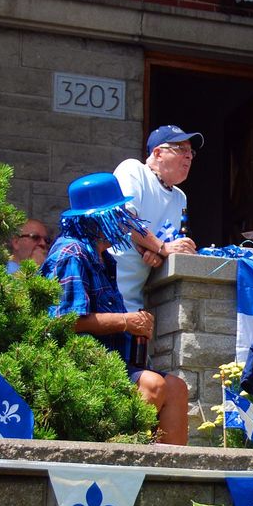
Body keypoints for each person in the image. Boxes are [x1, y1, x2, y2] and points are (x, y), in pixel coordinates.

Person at [41, 172, 189, 445]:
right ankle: (119, 459)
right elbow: (65, 320)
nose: (124, 220)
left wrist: (135, 327)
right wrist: (125, 321)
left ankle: (169, 479)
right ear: (96, 218)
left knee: (177, 388)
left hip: (114, 361)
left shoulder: (105, 259)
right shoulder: (71, 254)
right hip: (81, 366)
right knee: (152, 385)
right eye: (117, 213)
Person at [110, 124, 202, 312]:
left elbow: (164, 247)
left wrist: (158, 254)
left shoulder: (180, 197)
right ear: (158, 153)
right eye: (181, 149)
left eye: (191, 151)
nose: (189, 156)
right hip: (106, 290)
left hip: (134, 302)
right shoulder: (133, 170)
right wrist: (161, 247)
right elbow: (124, 218)